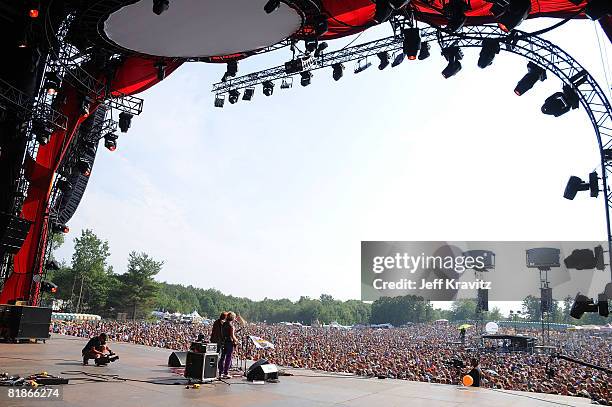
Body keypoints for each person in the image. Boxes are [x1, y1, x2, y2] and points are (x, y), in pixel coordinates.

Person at [218, 312, 238, 379]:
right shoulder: (231, 326)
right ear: (232, 318)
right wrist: (237, 341)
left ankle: (220, 372)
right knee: (228, 358)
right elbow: (232, 335)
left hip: (224, 342)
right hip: (229, 343)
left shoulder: (223, 324)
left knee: (222, 357)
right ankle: (226, 373)